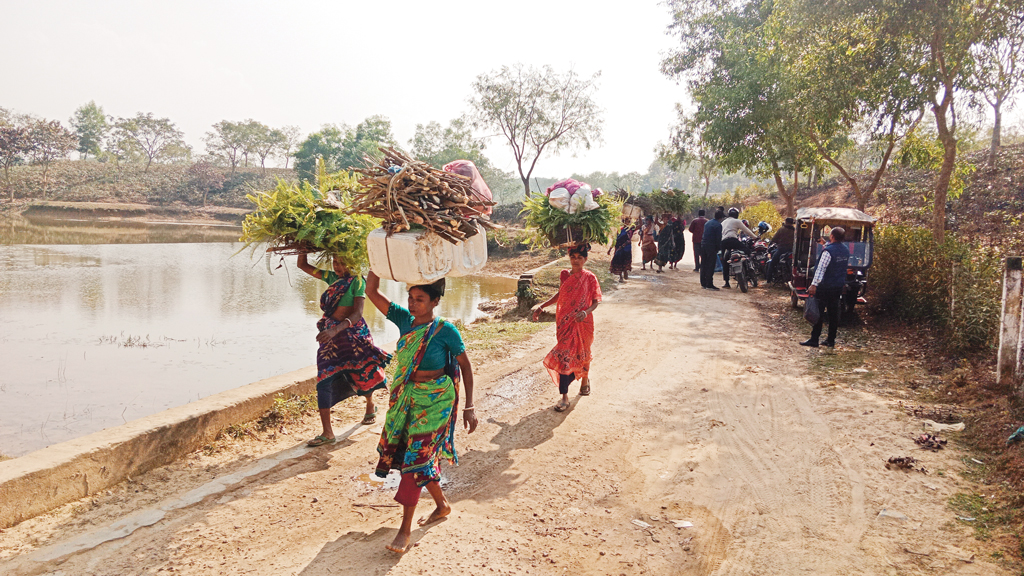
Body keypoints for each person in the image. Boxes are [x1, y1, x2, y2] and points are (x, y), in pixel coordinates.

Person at [364, 271, 479, 553]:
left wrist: (469, 406)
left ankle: (404, 531)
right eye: (410, 298)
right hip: (408, 397)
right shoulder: (406, 321)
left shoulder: (445, 331)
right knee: (417, 457)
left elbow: (465, 365)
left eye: (419, 299)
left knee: (415, 460)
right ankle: (441, 506)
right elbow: (371, 292)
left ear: (435, 301)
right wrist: (378, 263)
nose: (413, 304)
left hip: (437, 401)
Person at [297, 254, 390, 447]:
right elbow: (302, 265)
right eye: (335, 262)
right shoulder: (333, 279)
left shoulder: (357, 282)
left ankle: (370, 405)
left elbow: (357, 314)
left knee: (362, 373)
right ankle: (327, 433)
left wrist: (335, 330)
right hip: (329, 337)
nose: (337, 267)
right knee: (324, 377)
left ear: (352, 261)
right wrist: (302, 246)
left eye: (341, 262)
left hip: (353, 334)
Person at [532, 243, 603, 412]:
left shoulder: (590, 277)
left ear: (585, 259)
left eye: (579, 257)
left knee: (583, 352)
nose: (576, 261)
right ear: (569, 258)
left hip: (584, 323)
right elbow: (561, 294)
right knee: (565, 355)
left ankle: (584, 380)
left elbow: (595, 302)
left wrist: (585, 313)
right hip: (565, 322)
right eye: (573, 257)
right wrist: (542, 306)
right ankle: (564, 396)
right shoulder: (565, 275)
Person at [801, 227, 850, 348]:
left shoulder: (827, 252)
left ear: (832, 236)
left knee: (819, 313)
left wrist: (813, 284)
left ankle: (814, 339)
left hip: (824, 287)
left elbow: (821, 269)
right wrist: (825, 244)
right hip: (837, 286)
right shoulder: (845, 250)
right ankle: (830, 340)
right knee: (834, 314)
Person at [720, 208, 758, 289]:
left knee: (725, 260)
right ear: (736, 214)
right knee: (748, 252)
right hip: (733, 240)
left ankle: (726, 282)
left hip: (723, 242)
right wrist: (755, 237)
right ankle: (750, 269)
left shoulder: (723, 222)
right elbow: (746, 230)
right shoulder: (737, 221)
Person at [700, 210, 725, 290]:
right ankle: (709, 284)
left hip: (703, 245)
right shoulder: (718, 225)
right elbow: (718, 238)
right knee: (710, 265)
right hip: (711, 246)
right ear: (721, 218)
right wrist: (719, 248)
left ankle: (703, 283)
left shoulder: (707, 223)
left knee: (703, 264)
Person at [767, 217, 796, 283]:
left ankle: (768, 280)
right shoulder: (795, 231)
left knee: (772, 263)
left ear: (786, 222)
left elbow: (774, 239)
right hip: (792, 250)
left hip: (782, 249)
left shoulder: (782, 229)